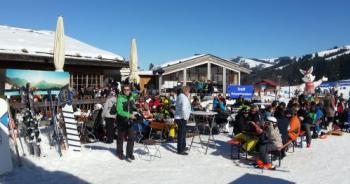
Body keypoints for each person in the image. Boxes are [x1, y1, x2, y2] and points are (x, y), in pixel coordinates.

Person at [116, 84, 138, 160]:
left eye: (127, 89)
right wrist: (128, 115)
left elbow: (133, 107)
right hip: (121, 120)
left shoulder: (131, 97)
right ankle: (120, 153)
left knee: (132, 137)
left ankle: (129, 153)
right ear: (122, 90)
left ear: (130, 90)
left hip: (130, 120)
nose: (126, 91)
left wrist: (135, 112)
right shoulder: (120, 98)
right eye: (124, 90)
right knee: (120, 138)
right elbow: (119, 111)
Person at [175, 86, 191, 155]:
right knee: (181, 134)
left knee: (183, 133)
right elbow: (184, 108)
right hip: (181, 117)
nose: (189, 93)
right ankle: (180, 149)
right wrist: (185, 117)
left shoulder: (180, 96)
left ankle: (183, 146)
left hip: (179, 117)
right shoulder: (183, 97)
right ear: (185, 91)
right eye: (188, 91)